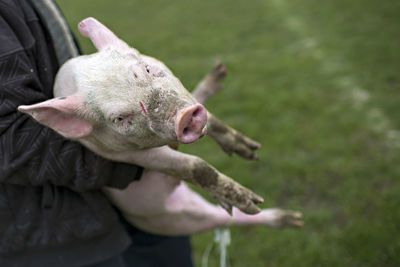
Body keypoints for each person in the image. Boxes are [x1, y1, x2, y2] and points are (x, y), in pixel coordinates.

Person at [0, 0, 193, 266]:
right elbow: (12, 141)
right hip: (47, 233)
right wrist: (135, 161)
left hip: (82, 206)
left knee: (167, 246)